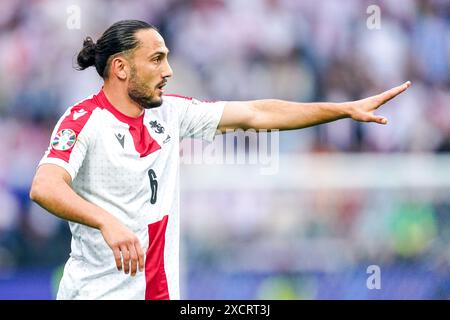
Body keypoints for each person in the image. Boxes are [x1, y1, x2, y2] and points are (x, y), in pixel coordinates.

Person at [29, 20, 411, 300]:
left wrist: (342, 109)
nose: (168, 70)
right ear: (121, 68)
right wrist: (106, 222)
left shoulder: (170, 114)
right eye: (157, 59)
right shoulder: (83, 120)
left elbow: (258, 114)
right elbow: (44, 186)